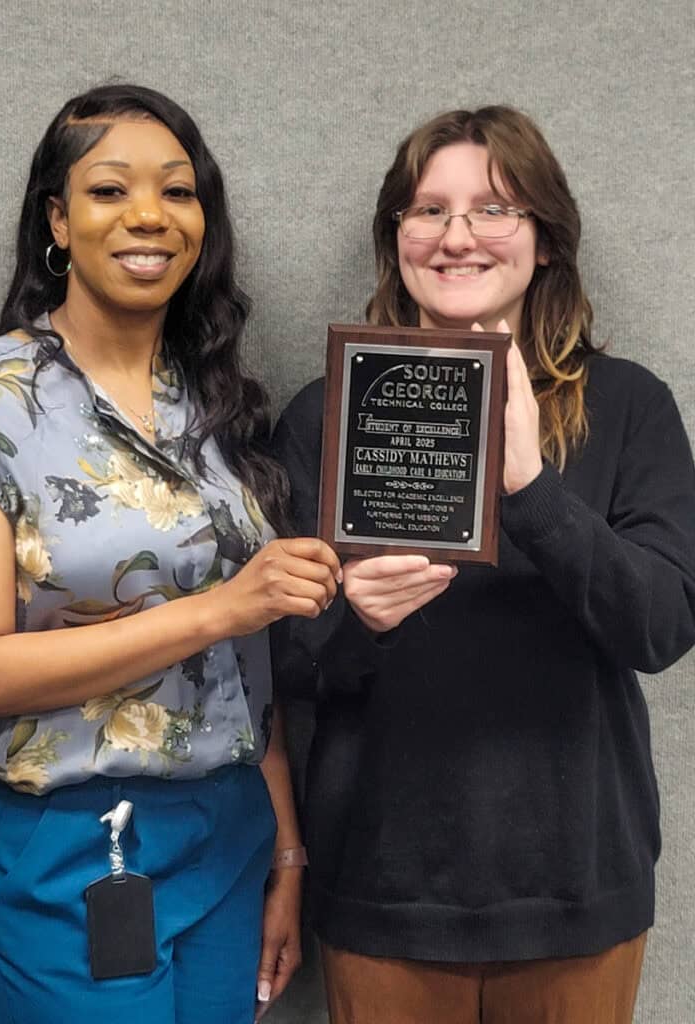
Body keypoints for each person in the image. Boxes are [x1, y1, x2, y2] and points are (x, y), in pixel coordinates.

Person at [270, 106, 695, 1023]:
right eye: (428, 210)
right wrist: (356, 623)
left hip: (578, 886)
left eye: (495, 209)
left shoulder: (630, 406)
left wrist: (532, 489)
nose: (457, 236)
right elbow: (276, 665)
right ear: (397, 241)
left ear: (543, 240)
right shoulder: (321, 416)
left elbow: (662, 627)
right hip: (384, 888)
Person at [0, 83, 341, 1024]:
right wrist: (218, 607)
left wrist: (283, 848)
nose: (149, 215)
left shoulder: (218, 402)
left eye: (179, 191)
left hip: (229, 832)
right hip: (71, 845)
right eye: (110, 190)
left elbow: (248, 665)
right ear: (57, 221)